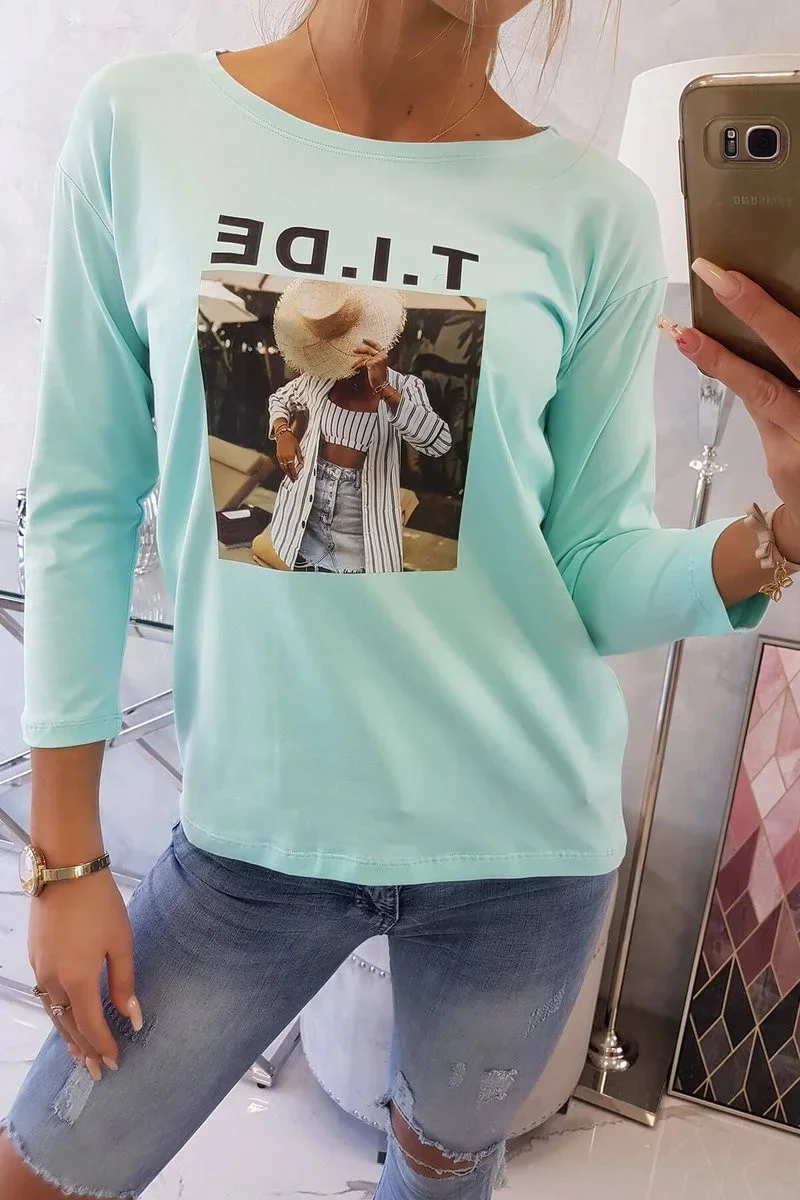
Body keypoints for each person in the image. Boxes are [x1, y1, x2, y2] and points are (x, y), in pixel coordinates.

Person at [3, 1, 800, 1197]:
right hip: (248, 841)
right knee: (48, 1169)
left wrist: (781, 536)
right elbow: (82, 502)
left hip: (518, 856)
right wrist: (65, 859)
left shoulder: (588, 210)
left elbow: (589, 569)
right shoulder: (143, 125)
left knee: (438, 1170)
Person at [259, 279, 451, 573]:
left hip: (360, 535)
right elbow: (280, 399)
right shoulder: (320, 379)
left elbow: (439, 443)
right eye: (334, 346)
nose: (345, 353)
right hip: (302, 521)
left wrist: (385, 389)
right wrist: (282, 432)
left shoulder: (405, 387)